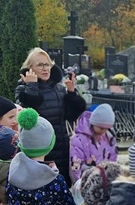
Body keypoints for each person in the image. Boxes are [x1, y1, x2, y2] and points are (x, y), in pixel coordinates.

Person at [15, 47, 86, 184]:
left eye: (47, 64)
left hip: (61, 147)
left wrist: (72, 94)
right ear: (30, 68)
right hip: (39, 150)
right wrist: (32, 86)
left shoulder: (59, 89)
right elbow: (27, 116)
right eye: (40, 65)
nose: (45, 69)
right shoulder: (23, 89)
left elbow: (71, 116)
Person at [69, 104, 118, 184]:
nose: (104, 131)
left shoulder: (109, 138)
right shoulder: (79, 140)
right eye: (101, 128)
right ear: (93, 123)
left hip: (104, 182)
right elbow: (75, 165)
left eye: (107, 129)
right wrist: (79, 184)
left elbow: (113, 160)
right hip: (85, 182)